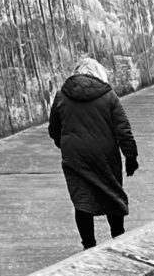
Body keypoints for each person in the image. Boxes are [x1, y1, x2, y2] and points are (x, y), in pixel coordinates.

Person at [48, 57, 138, 250]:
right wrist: (131, 157)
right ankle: (118, 237)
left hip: (75, 157)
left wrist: (64, 146)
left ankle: (88, 245)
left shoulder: (61, 95)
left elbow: (54, 129)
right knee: (111, 192)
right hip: (105, 156)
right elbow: (123, 130)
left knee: (82, 199)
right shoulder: (109, 96)